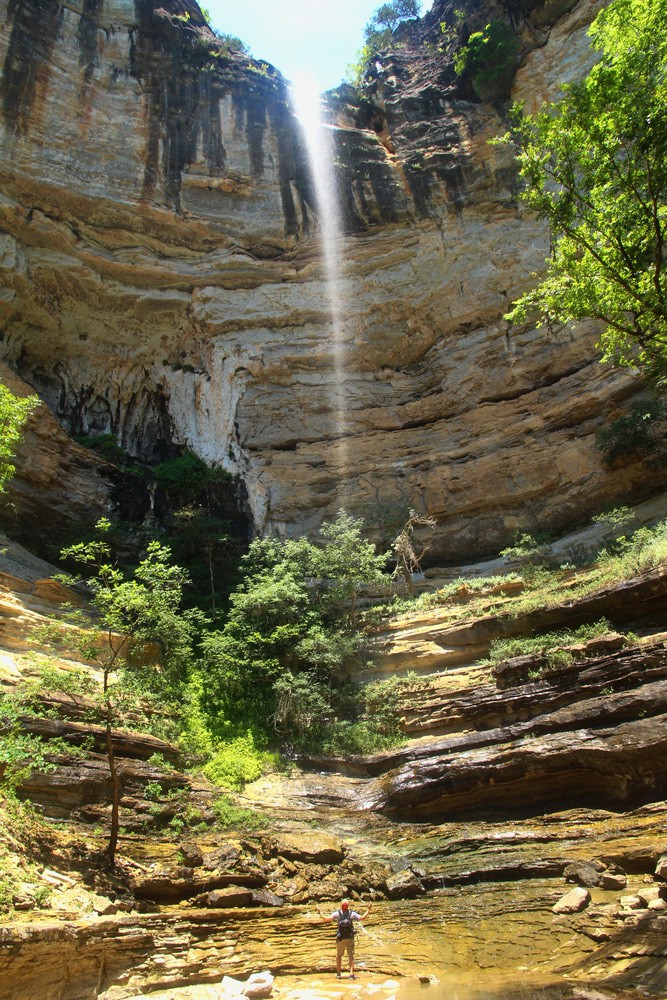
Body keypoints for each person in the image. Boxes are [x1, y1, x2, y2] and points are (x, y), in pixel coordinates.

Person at [322, 898, 372, 979]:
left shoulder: (337, 914)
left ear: (341, 905)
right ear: (348, 906)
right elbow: (362, 918)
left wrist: (319, 912)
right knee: (351, 956)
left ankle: (338, 974)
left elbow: (326, 919)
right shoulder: (352, 913)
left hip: (340, 938)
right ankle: (351, 974)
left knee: (339, 956)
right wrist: (369, 909)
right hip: (349, 938)